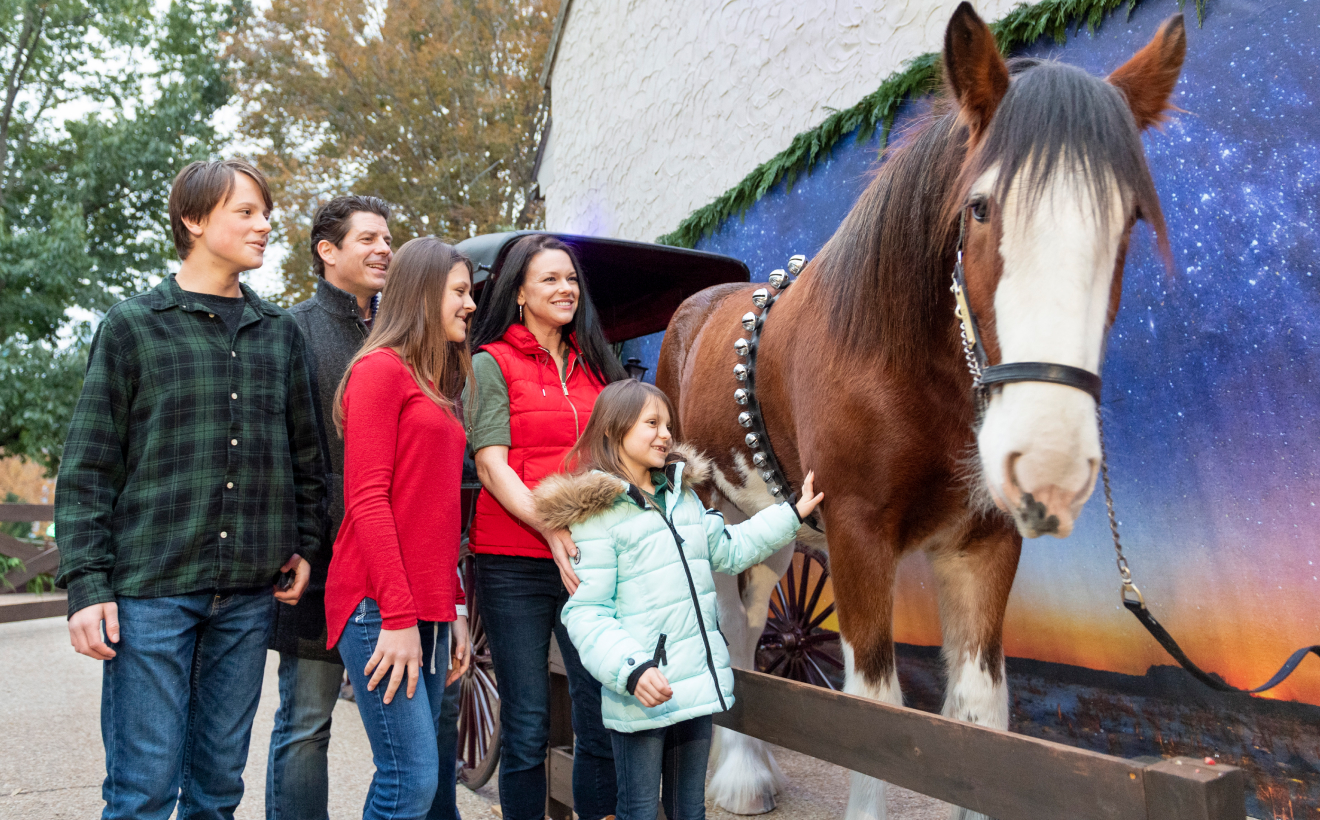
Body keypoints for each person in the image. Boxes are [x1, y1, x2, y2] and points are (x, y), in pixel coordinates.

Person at [54, 159, 325, 820]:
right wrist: (87, 588)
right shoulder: (132, 326)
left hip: (247, 598)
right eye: (247, 211)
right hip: (150, 594)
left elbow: (307, 457)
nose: (264, 225)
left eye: (266, 212)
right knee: (142, 792)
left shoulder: (280, 334)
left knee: (217, 791)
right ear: (195, 220)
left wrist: (307, 543)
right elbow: (89, 467)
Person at [534, 380, 823, 820]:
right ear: (614, 431)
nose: (666, 434)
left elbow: (731, 548)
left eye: (668, 424)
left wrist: (791, 515)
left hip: (695, 690)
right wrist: (632, 670)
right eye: (652, 423)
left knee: (690, 810)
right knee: (639, 810)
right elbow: (586, 613)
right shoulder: (596, 518)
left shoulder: (684, 498)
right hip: (641, 696)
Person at [464, 234, 626, 820]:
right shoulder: (492, 363)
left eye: (572, 280)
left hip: (590, 561)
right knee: (528, 722)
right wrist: (551, 526)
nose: (565, 289)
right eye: (550, 280)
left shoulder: (596, 368)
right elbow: (491, 465)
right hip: (513, 562)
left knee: (599, 710)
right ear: (521, 294)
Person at [324, 236, 476, 820]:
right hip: (379, 605)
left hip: (429, 607)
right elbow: (366, 498)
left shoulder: (434, 384)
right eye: (458, 292)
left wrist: (455, 606)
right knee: (409, 779)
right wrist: (399, 616)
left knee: (420, 777)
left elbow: (436, 512)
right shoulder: (379, 372)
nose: (469, 304)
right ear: (422, 293)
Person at [266, 194, 393, 820]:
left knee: (402, 730)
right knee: (307, 719)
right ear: (327, 251)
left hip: (392, 559)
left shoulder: (399, 330)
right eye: (367, 239)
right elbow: (281, 453)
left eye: (387, 240)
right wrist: (299, 549)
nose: (383, 250)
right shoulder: (291, 330)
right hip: (319, 559)